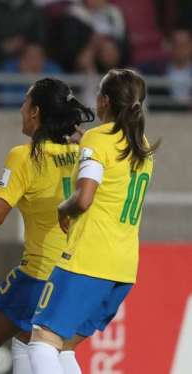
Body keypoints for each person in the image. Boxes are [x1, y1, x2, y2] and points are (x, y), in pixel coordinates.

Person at [0, 78, 94, 374]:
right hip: (75, 274)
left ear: (35, 112)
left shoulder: (25, 157)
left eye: (25, 103)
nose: (20, 108)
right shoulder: (82, 154)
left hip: (39, 273)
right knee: (39, 345)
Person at [28, 68, 159, 374]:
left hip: (88, 259)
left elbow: (85, 197)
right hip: (123, 268)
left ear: (103, 101)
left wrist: (63, 208)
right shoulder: (141, 145)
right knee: (63, 347)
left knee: (41, 342)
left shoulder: (98, 140)